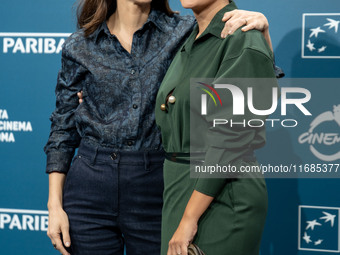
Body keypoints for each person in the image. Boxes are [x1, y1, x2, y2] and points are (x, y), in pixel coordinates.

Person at [44, 0, 274, 254]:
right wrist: (55, 205)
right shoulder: (80, 44)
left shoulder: (186, 30)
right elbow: (62, 126)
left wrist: (261, 29)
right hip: (90, 183)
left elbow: (253, 75)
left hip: (156, 182)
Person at [155, 0, 280, 255]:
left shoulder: (242, 35)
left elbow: (232, 137)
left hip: (221, 194)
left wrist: (189, 218)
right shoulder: (191, 35)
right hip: (181, 189)